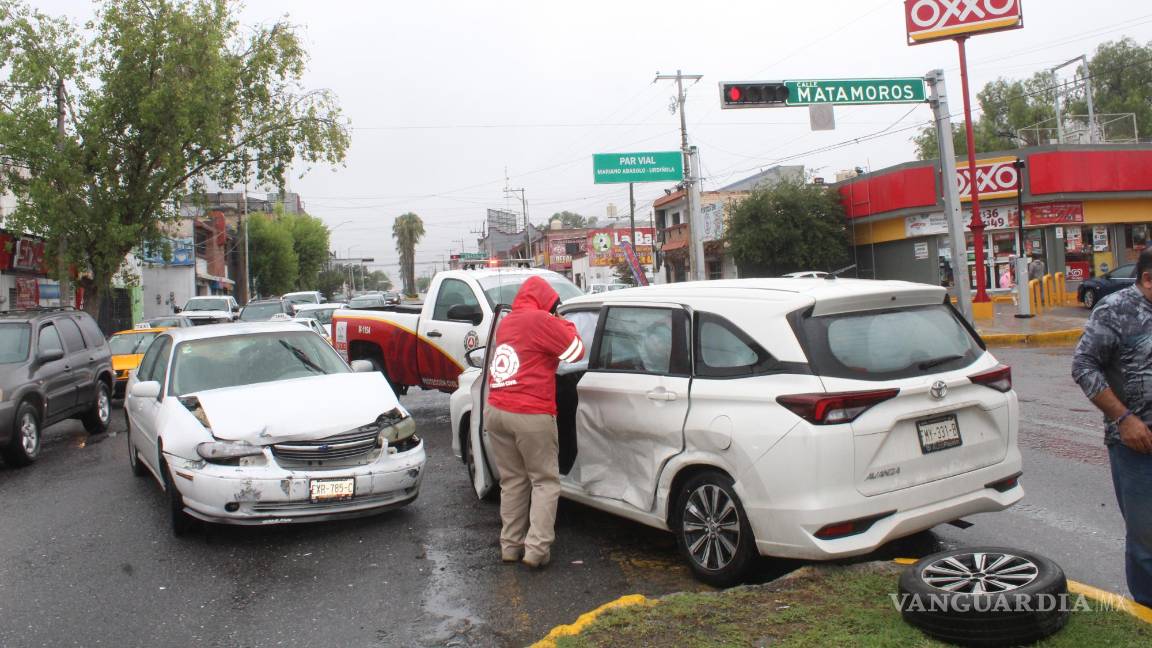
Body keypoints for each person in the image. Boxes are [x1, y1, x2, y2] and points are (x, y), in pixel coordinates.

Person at [485, 276, 584, 569]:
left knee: (513, 481)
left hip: (497, 409)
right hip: (530, 412)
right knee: (544, 481)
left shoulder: (508, 322)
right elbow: (575, 351)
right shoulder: (541, 320)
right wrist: (563, 322)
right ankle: (537, 551)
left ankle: (510, 546)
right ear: (547, 302)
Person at [1072, 246, 1152, 607]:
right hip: (1137, 444)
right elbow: (1084, 367)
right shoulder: (1115, 310)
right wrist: (1124, 419)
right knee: (1146, 539)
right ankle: (1147, 612)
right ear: (1148, 279)